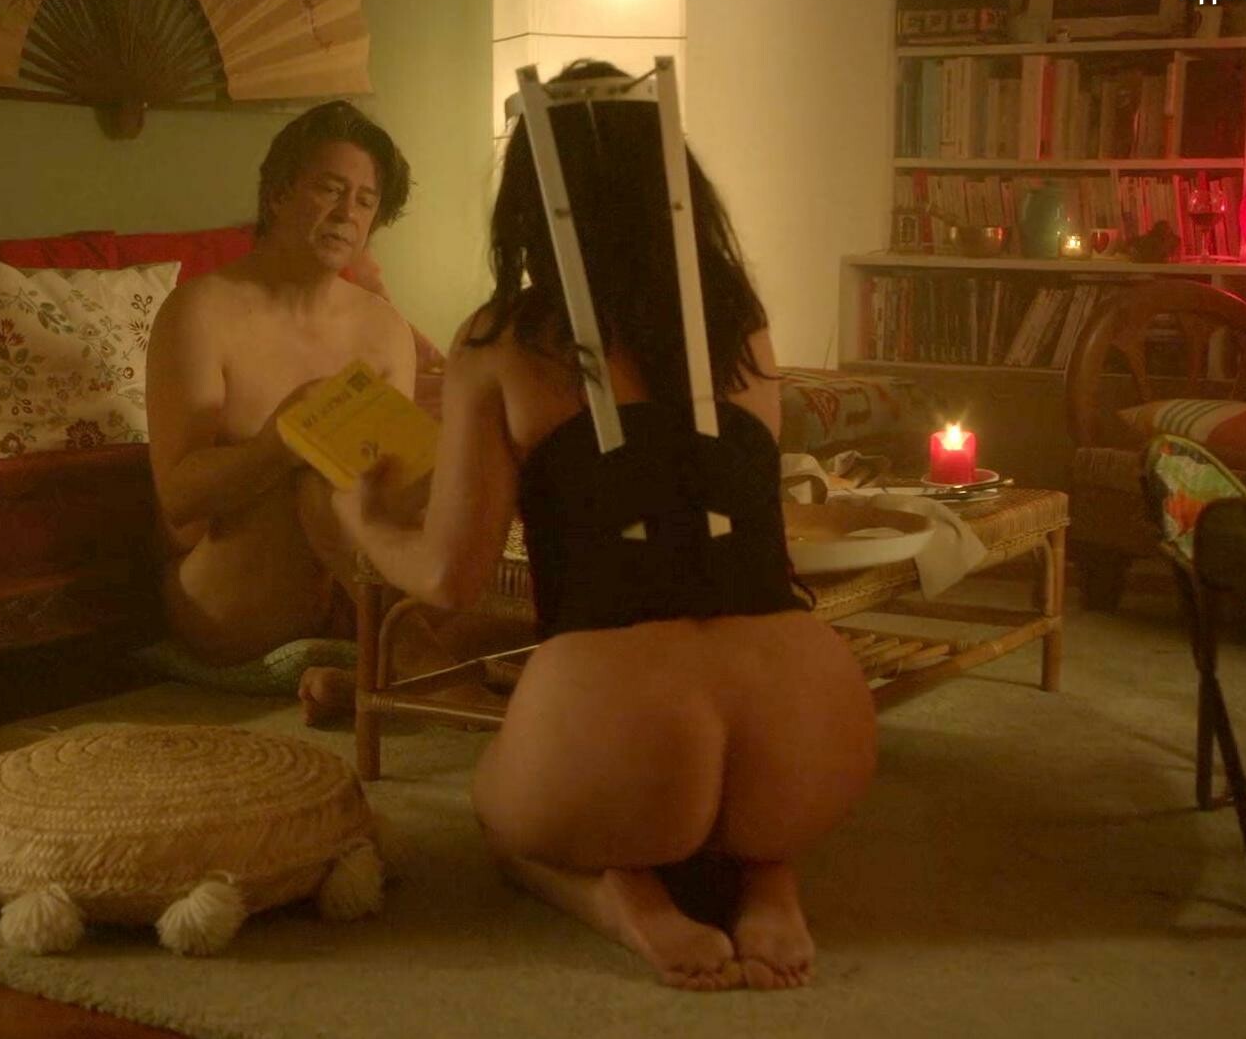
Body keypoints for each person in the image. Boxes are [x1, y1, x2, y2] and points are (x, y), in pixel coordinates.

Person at [328, 61, 876, 992]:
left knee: (495, 806)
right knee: (742, 802)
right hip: (813, 733)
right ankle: (766, 873)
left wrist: (365, 517)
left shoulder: (499, 340)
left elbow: (450, 578)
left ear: (533, 198)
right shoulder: (742, 325)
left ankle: (625, 899)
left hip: (619, 730)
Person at [145, 101, 420, 669]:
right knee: (315, 476)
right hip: (229, 592)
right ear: (277, 194)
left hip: (347, 591)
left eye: (365, 201)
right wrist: (282, 442)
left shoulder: (385, 329)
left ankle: (411, 653)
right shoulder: (200, 311)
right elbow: (178, 502)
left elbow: (396, 492)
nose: (346, 213)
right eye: (330, 189)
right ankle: (423, 659)